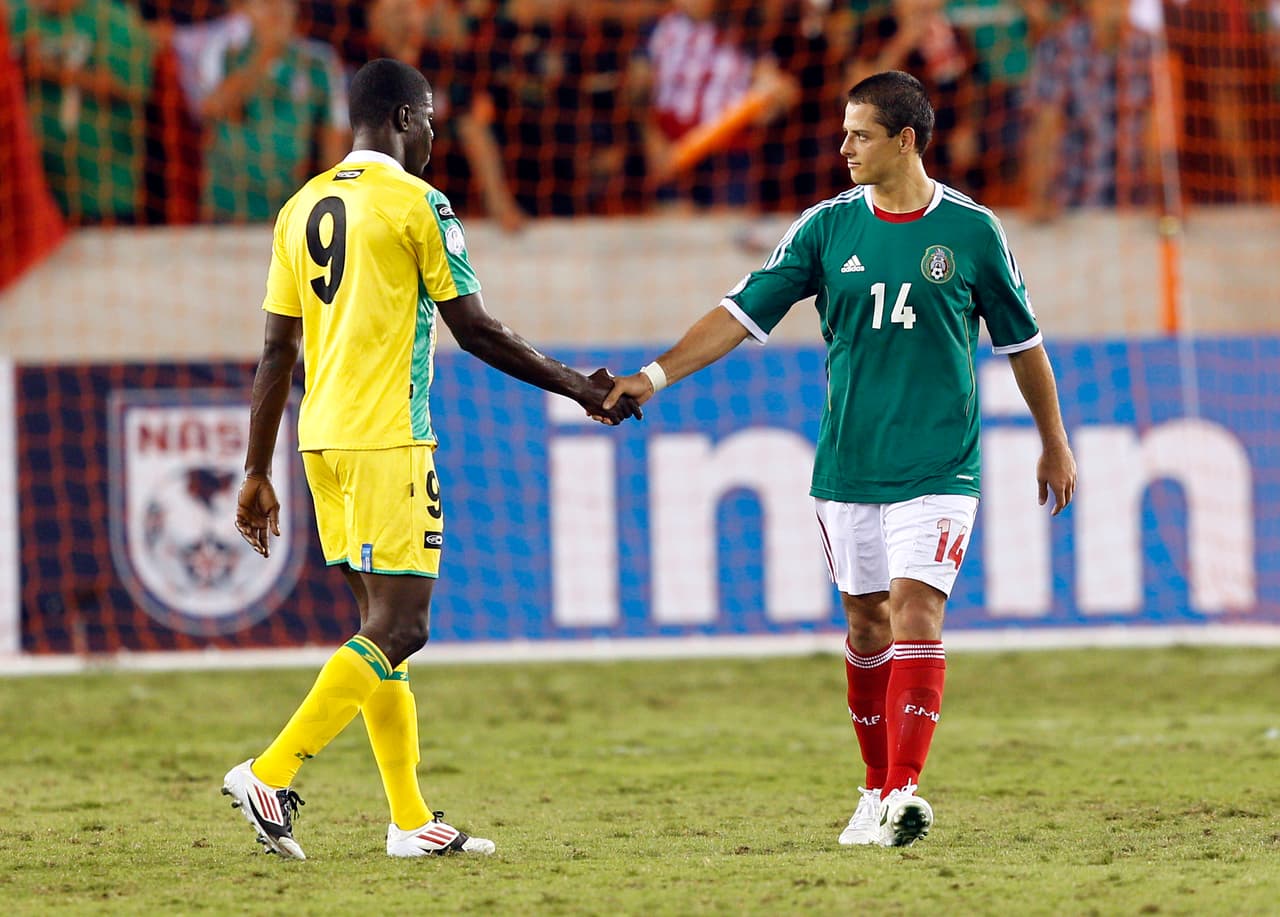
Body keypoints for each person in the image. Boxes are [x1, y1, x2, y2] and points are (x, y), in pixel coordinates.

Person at [604, 70, 1076, 848]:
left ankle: (904, 791)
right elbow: (739, 312)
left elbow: (1023, 345)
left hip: (940, 464)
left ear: (905, 140)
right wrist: (650, 377)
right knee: (865, 625)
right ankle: (872, 788)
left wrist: (1053, 440)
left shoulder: (972, 231)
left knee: (918, 609)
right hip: (849, 466)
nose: (843, 146)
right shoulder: (825, 229)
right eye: (843, 131)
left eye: (859, 134)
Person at [224, 57, 641, 860]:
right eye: (433, 123)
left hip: (321, 441)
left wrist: (255, 467)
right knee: (403, 625)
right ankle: (272, 772)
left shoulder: (299, 205)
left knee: (377, 627)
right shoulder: (421, 203)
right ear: (406, 120)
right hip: (389, 438)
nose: (436, 137)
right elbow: (475, 329)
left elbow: (276, 350)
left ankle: (410, 819)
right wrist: (578, 387)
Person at [8, 0, 157, 224]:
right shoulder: (18, 21)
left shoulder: (115, 20)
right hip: (30, 193)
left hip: (101, 191)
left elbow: (127, 88)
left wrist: (51, 71)